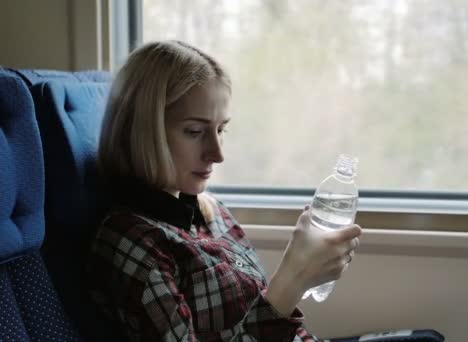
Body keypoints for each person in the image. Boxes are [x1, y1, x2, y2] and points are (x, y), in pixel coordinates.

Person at [86, 40, 362, 342]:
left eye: (221, 130)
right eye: (195, 131)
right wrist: (292, 279)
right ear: (142, 131)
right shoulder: (133, 243)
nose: (217, 154)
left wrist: (303, 270)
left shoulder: (209, 211)